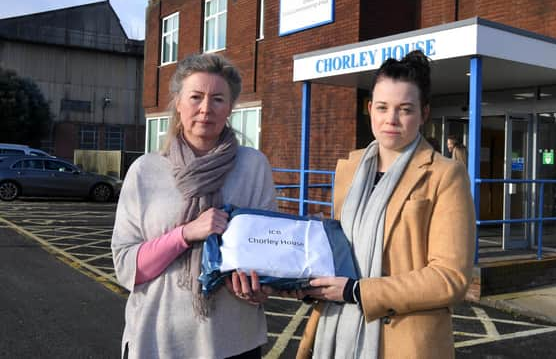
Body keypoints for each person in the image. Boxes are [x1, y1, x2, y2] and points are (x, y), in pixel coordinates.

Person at [296, 50, 476, 359]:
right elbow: (343, 250)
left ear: (424, 113)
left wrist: (358, 292)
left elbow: (451, 277)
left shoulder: (446, 174)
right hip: (337, 334)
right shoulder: (350, 168)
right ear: (370, 109)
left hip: (405, 342)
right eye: (382, 107)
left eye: (405, 109)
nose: (391, 119)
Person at [111, 53, 277, 359]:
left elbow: (267, 256)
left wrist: (259, 286)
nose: (205, 109)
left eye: (217, 99)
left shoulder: (254, 166)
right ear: (178, 102)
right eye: (196, 97)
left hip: (233, 341)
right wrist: (186, 233)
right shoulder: (144, 170)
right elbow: (126, 267)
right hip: (157, 340)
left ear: (230, 108)